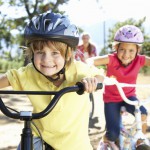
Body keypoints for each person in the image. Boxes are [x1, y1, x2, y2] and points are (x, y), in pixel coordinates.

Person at [0, 11, 104, 150]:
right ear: (32, 53)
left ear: (68, 54)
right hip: (39, 137)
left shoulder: (78, 70)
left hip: (74, 144)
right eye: (40, 52)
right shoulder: (29, 72)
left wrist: (92, 81)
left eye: (55, 53)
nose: (46, 59)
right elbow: (5, 79)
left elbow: (99, 75)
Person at [86, 25, 150, 149]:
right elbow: (92, 60)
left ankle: (140, 139)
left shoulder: (140, 60)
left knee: (142, 113)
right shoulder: (111, 59)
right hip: (111, 99)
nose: (126, 54)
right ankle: (106, 139)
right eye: (122, 49)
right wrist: (93, 68)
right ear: (116, 48)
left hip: (129, 96)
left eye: (131, 50)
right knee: (113, 134)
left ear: (138, 50)